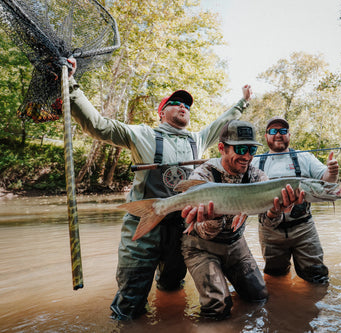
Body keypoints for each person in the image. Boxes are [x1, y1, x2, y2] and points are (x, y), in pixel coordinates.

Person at [66, 58, 254, 320]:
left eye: (187, 105)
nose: (183, 107)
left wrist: (242, 101)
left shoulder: (198, 139)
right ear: (161, 112)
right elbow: (97, 125)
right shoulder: (141, 134)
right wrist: (71, 86)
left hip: (181, 230)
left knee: (171, 289)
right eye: (176, 103)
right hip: (143, 228)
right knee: (129, 303)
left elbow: (224, 121)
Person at [180, 119, 304, 319]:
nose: (247, 156)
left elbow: (269, 223)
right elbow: (201, 230)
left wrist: (277, 211)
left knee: (259, 297)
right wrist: (215, 217)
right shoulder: (203, 175)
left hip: (236, 244)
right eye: (241, 149)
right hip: (201, 247)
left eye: (251, 150)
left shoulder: (257, 176)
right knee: (217, 307)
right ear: (222, 148)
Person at [251, 116, 339, 284]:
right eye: (273, 131)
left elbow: (325, 182)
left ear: (289, 135)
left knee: (317, 279)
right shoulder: (254, 162)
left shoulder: (304, 157)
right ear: (266, 136)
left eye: (283, 131)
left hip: (303, 229)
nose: (278, 134)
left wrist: (332, 172)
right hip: (270, 231)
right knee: (276, 279)